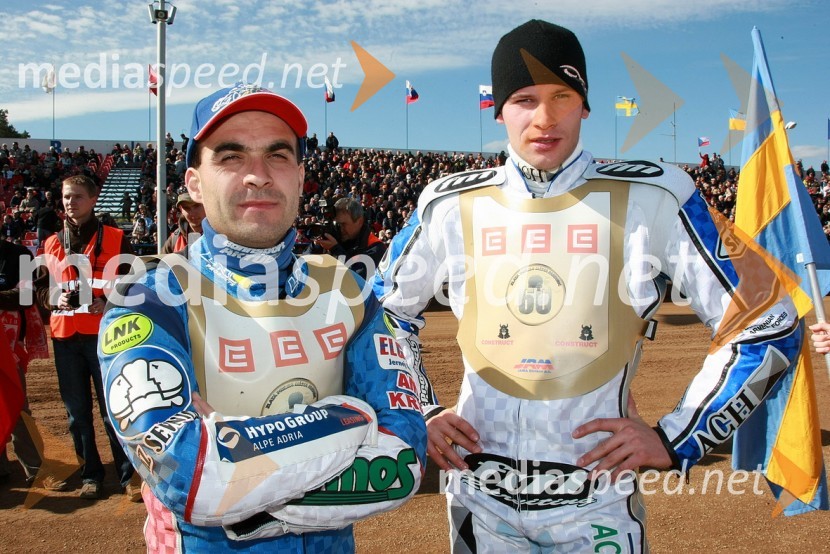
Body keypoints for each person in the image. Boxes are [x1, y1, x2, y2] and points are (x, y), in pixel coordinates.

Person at [373, 19, 801, 551]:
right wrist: (421, 412)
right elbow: (383, 313)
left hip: (597, 505)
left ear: (586, 105)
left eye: (563, 95)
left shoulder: (656, 196)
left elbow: (769, 322)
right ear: (499, 109)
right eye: (525, 99)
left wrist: (677, 437)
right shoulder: (446, 204)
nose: (545, 118)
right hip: (478, 503)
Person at [98, 82, 426, 551]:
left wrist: (239, 470)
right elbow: (189, 476)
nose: (258, 175)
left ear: (298, 175)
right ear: (194, 182)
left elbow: (404, 462)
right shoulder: (150, 295)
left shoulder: (347, 288)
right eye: (231, 156)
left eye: (277, 155)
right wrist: (350, 419)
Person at [33, 174, 138, 501]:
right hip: (65, 336)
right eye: (66, 197)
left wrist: (109, 301)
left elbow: (135, 282)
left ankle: (127, 475)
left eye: (77, 196)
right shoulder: (50, 243)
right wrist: (53, 299)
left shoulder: (118, 238)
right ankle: (90, 475)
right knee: (76, 412)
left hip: (107, 337)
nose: (70, 202)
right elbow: (37, 289)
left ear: (93, 200)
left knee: (113, 410)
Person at [0, 239, 65, 491]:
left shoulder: (18, 254)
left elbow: (26, 296)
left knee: (17, 406)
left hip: (8, 347)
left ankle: (36, 469)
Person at [314, 197, 386, 280]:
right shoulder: (336, 238)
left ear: (359, 221)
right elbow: (302, 270)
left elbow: (357, 281)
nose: (340, 229)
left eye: (343, 224)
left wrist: (335, 250)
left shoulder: (375, 247)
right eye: (336, 224)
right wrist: (316, 247)